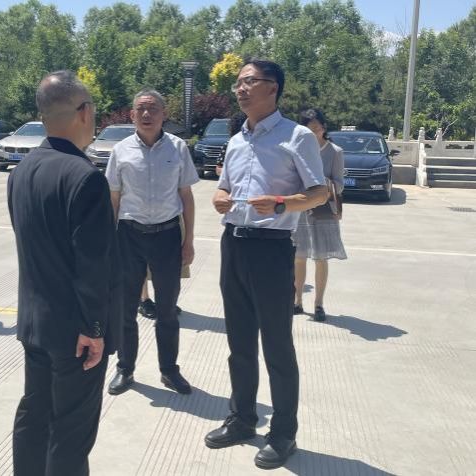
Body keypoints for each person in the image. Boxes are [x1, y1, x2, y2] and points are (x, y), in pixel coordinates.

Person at [205, 59, 328, 470]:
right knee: (239, 342)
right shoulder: (236, 140)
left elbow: (319, 193)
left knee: (277, 346)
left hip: (272, 249)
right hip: (233, 244)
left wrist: (280, 203)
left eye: (248, 81)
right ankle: (242, 418)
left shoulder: (296, 136)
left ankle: (283, 433)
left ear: (272, 87)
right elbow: (225, 186)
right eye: (238, 83)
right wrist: (219, 196)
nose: (240, 89)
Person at [8, 71, 121, 476]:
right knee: (71, 433)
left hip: (34, 323)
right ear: (84, 112)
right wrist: (94, 327)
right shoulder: (85, 177)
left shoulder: (22, 171)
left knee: (34, 414)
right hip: (76, 333)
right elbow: (92, 264)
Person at [105, 89, 199, 396]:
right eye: (141, 109)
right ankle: (125, 368)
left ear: (163, 114)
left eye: (153, 109)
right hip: (128, 236)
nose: (147, 114)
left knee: (167, 309)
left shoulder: (178, 148)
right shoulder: (120, 150)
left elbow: (186, 197)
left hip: (167, 236)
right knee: (126, 308)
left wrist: (189, 241)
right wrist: (109, 243)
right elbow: (114, 198)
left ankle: (169, 370)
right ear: (132, 115)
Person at [294, 108, 347, 322]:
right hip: (300, 209)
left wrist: (322, 184)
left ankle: (318, 304)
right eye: (309, 129)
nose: (314, 133)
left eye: (317, 128)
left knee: (321, 258)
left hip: (323, 210)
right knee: (298, 257)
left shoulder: (335, 152)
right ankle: (297, 300)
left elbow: (340, 185)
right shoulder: (297, 150)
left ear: (324, 128)